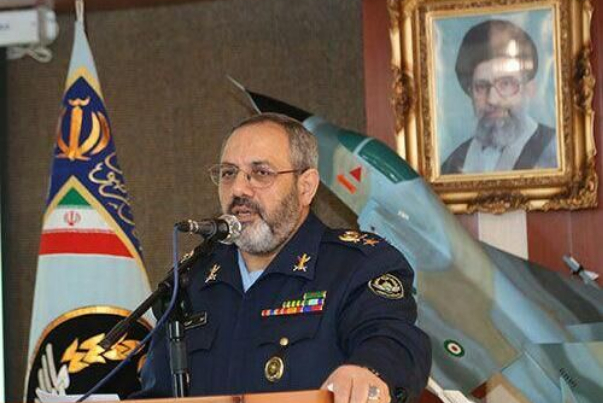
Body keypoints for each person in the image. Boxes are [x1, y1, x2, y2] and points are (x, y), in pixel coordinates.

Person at [136, 113, 432, 402]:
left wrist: (367, 371)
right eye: (228, 173)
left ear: (306, 187)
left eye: (261, 173)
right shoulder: (192, 279)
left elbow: (393, 339)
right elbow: (155, 394)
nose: (238, 188)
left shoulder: (359, 265)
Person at [441, 19, 557, 174]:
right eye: (481, 87)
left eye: (506, 84)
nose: (492, 99)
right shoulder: (453, 164)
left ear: (529, 89)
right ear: (471, 94)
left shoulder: (555, 151)